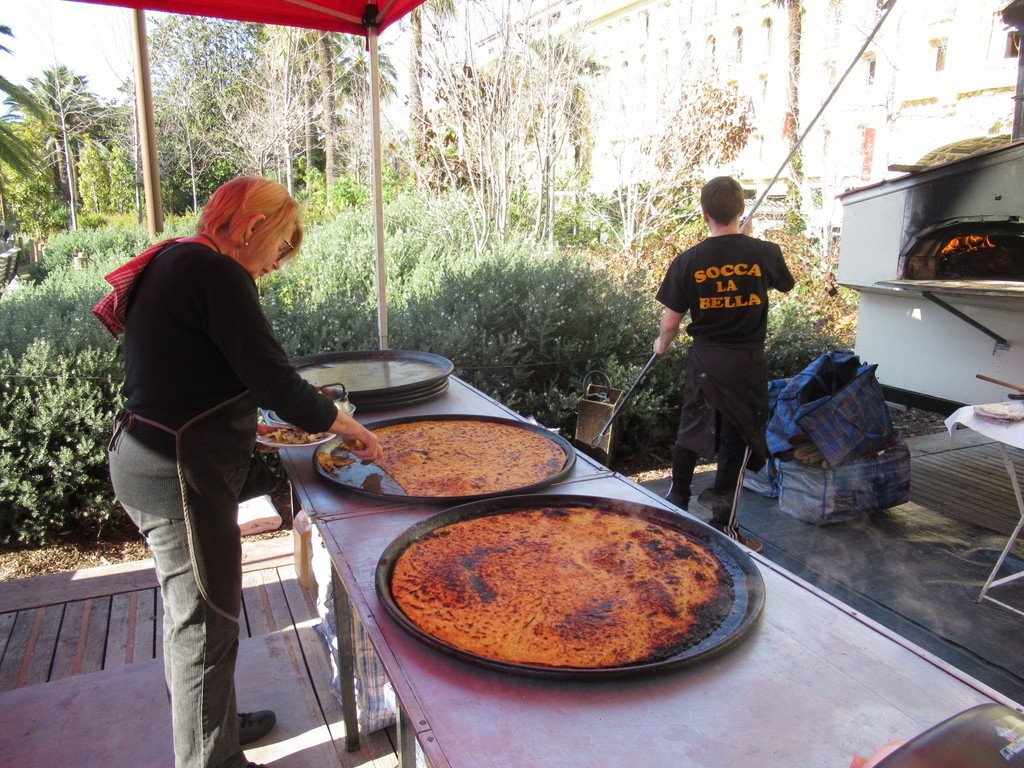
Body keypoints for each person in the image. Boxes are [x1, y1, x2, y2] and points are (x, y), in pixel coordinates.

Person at [94, 176, 382, 768]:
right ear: (251, 227)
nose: (276, 264)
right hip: (177, 475)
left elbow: (194, 371)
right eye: (280, 247)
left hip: (156, 460)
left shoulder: (177, 258)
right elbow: (273, 380)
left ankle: (215, 727)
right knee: (205, 624)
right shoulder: (216, 272)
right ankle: (211, 757)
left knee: (198, 614)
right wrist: (348, 426)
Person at [652, 176, 794, 552]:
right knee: (739, 437)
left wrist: (661, 345)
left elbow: (671, 322)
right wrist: (751, 245)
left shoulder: (688, 261)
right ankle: (723, 526)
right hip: (746, 364)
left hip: (704, 361)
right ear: (742, 211)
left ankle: (676, 506)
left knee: (691, 430)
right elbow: (784, 283)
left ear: (704, 214)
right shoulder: (765, 252)